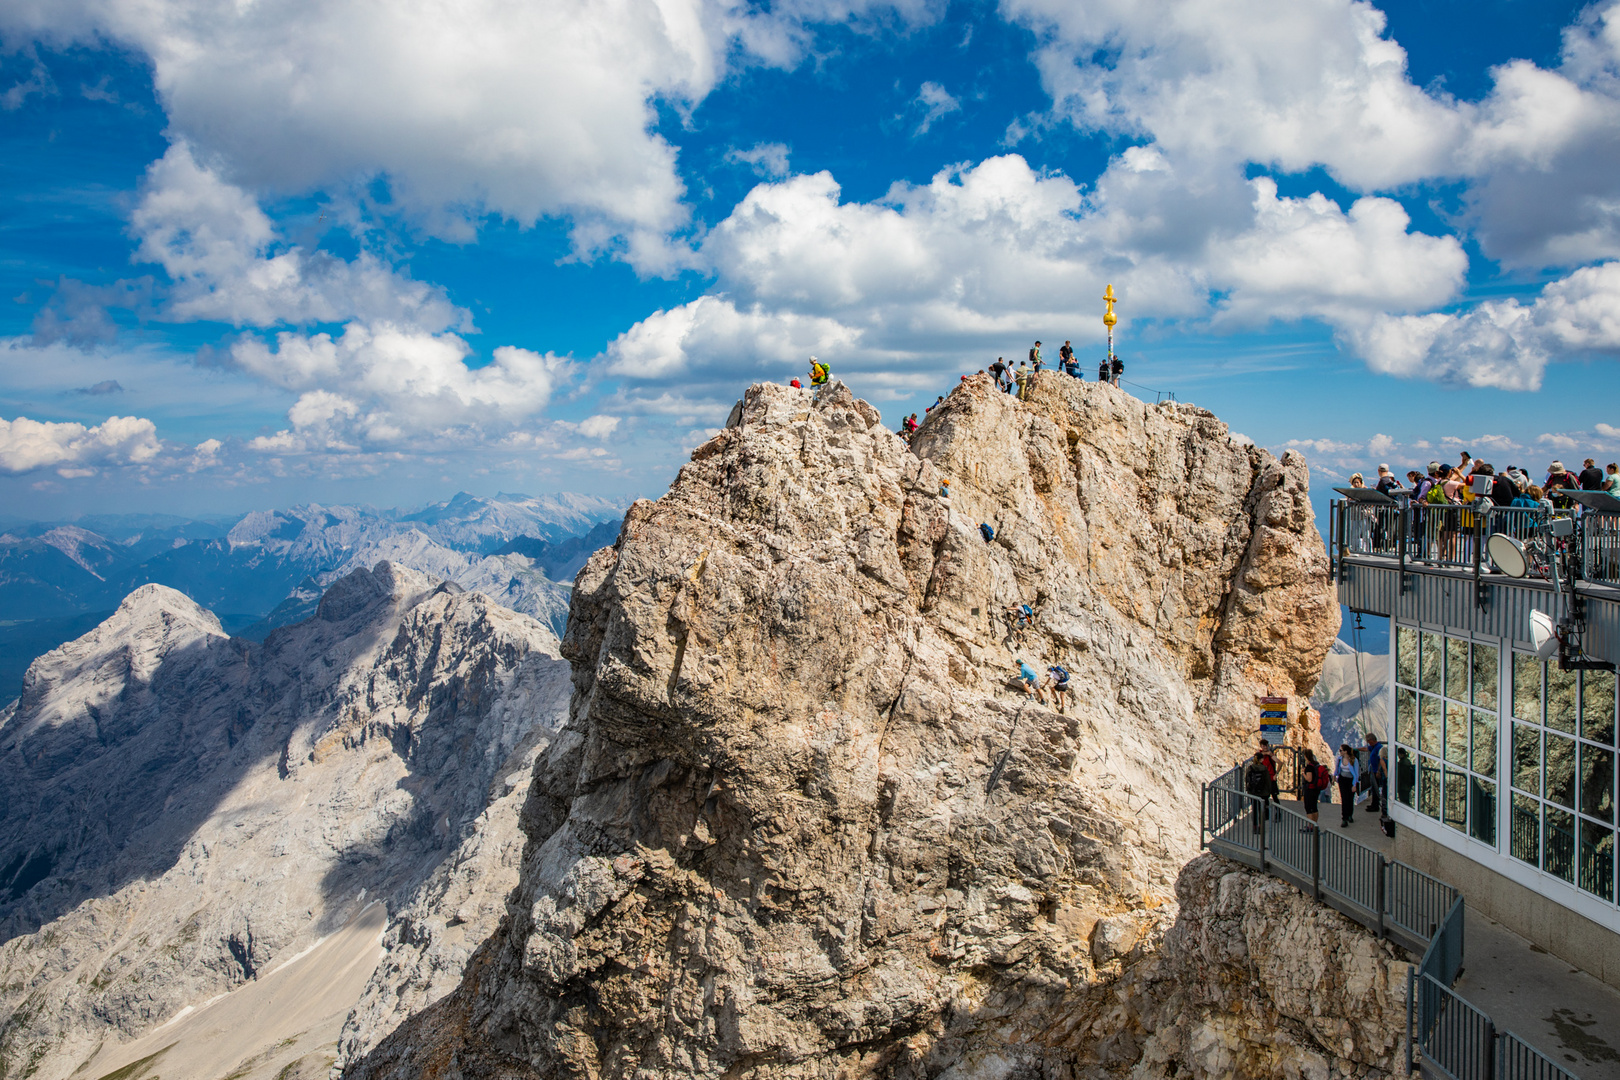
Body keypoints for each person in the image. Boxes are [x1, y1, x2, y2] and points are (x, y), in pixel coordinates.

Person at [1244, 747, 1273, 832]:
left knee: (1255, 810)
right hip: (1263, 793)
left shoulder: (1250, 768)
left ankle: (1255, 826)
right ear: (1261, 759)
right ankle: (1261, 826)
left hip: (1253, 792)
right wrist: (1268, 792)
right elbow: (1268, 781)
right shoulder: (1264, 768)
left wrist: (1248, 790)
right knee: (1262, 810)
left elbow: (1247, 779)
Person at [1299, 748, 1327, 830]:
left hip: (1310, 789)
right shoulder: (1316, 764)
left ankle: (1310, 826)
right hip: (1316, 789)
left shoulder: (1309, 767)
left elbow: (1309, 779)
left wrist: (1303, 773)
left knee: (1308, 808)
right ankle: (1315, 825)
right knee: (1314, 807)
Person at [1335, 743, 1360, 827]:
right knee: (1344, 798)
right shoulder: (1339, 759)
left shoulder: (1353, 760)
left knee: (1350, 798)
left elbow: (1356, 774)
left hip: (1350, 781)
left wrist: (1354, 785)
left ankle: (1349, 814)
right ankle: (1344, 818)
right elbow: (1337, 769)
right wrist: (1335, 776)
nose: (1340, 752)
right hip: (1342, 780)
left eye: (1341, 750)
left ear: (1345, 751)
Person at [1364, 733, 1388, 814]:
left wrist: (1378, 771)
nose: (1368, 742)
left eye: (1368, 741)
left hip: (1376, 771)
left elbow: (1380, 760)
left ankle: (1375, 806)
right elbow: (1366, 749)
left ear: (1371, 740)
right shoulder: (1374, 747)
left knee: (1375, 788)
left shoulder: (1378, 747)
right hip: (1373, 770)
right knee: (1373, 788)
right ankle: (1374, 804)